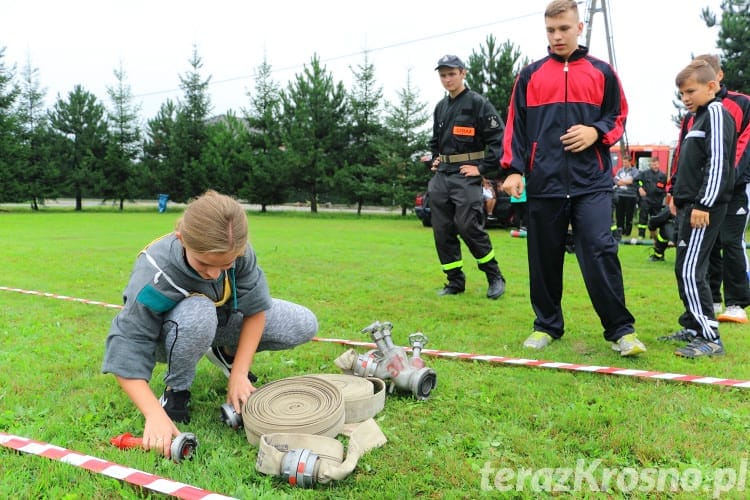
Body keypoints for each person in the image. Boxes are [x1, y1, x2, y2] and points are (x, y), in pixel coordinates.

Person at [101, 190, 318, 456]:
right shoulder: (155, 271)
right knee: (199, 312)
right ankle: (176, 390)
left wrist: (239, 373)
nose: (214, 274)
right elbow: (128, 344)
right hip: (168, 336)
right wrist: (153, 415)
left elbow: (256, 310)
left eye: (225, 265)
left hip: (218, 322)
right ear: (182, 240)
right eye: (204, 264)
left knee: (305, 323)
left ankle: (225, 353)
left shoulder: (240, 254)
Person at [501, 0, 645, 356]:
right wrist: (514, 168)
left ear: (579, 28)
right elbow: (514, 126)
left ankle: (620, 331)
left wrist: (596, 132)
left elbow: (619, 115)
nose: (557, 36)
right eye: (550, 30)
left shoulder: (602, 72)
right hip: (544, 182)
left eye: (564, 29)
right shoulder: (530, 75)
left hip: (591, 182)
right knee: (544, 257)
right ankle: (547, 325)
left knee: (600, 250)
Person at [657, 59, 736, 357]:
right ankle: (692, 325)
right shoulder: (697, 118)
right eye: (681, 94)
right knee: (685, 267)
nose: (685, 98)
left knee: (691, 271)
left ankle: (710, 338)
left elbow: (717, 163)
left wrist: (704, 203)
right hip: (690, 206)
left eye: (691, 91)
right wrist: (677, 197)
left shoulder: (716, 113)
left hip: (705, 208)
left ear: (712, 86)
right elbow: (691, 164)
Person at [428, 54, 506, 299]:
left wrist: (481, 169)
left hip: (466, 177)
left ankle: (494, 276)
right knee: (442, 230)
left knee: (468, 226)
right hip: (442, 176)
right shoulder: (440, 107)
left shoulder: (478, 104)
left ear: (463, 73)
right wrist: (435, 158)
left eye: (452, 74)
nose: (447, 79)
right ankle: (454, 281)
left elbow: (498, 140)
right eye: (443, 75)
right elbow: (435, 142)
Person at [691, 54, 750, 324]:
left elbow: (740, 148)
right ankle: (712, 299)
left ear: (719, 76)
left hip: (735, 187)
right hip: (705, 190)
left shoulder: (742, 103)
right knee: (709, 242)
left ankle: (737, 302)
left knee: (731, 241)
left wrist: (726, 181)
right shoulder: (696, 110)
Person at [635, 158, 667, 239]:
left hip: (657, 201)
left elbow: (665, 188)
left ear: (659, 164)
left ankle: (653, 236)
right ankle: (641, 235)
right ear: (650, 165)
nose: (654, 166)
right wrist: (640, 188)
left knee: (655, 219)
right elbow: (636, 181)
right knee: (643, 217)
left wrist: (662, 197)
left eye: (656, 164)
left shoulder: (663, 176)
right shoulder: (644, 173)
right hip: (646, 199)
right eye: (653, 164)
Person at [613, 156, 640, 240]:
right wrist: (625, 182)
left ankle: (627, 232)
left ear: (630, 162)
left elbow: (632, 181)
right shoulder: (620, 171)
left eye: (626, 162)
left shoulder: (635, 171)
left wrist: (622, 182)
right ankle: (620, 231)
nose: (624, 164)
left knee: (629, 215)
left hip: (630, 196)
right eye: (623, 162)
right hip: (620, 195)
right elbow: (616, 181)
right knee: (619, 215)